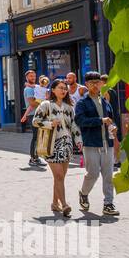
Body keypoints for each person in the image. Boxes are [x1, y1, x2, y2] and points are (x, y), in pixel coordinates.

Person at [32, 77, 82, 216]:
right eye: (60, 87)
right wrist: (50, 123)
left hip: (67, 145)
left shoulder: (69, 107)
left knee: (59, 177)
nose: (64, 90)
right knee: (59, 175)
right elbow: (35, 121)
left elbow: (73, 125)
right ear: (53, 90)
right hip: (51, 145)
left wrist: (78, 140)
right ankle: (64, 205)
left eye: (65, 88)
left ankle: (55, 203)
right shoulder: (46, 105)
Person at [75, 72, 120, 217]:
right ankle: (83, 193)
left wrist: (113, 127)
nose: (95, 85)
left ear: (102, 84)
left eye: (98, 82)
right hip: (91, 143)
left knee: (108, 175)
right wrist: (100, 120)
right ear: (86, 85)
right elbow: (80, 121)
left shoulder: (105, 101)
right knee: (92, 174)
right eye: (92, 82)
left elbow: (111, 119)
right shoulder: (82, 102)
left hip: (108, 142)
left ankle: (108, 203)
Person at [21, 70, 45, 168]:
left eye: (34, 76)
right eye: (31, 76)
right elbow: (32, 104)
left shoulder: (35, 88)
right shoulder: (29, 89)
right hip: (34, 115)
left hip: (38, 114)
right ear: (27, 78)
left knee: (39, 137)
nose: (33, 78)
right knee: (36, 137)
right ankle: (33, 158)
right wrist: (44, 103)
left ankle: (36, 157)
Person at [100, 73, 123, 168]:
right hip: (115, 117)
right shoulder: (112, 91)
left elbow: (106, 105)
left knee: (112, 139)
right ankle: (117, 160)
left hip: (110, 118)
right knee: (116, 139)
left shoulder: (105, 91)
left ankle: (113, 160)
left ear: (102, 82)